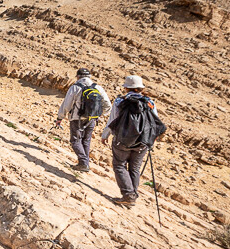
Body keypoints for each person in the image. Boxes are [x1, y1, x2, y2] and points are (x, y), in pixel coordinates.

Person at [101, 75, 167, 205]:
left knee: (119, 165)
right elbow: (154, 122)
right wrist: (153, 139)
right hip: (142, 142)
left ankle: (128, 195)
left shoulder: (120, 101)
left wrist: (105, 135)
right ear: (140, 88)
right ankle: (132, 195)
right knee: (135, 168)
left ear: (126, 88)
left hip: (122, 140)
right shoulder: (149, 102)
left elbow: (112, 120)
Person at [54, 68, 108, 172]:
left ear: (78, 76)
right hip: (92, 119)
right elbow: (107, 105)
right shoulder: (98, 88)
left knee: (75, 140)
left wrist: (60, 117)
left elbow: (66, 105)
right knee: (86, 141)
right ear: (89, 77)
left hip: (77, 118)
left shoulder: (75, 87)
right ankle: (84, 164)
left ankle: (83, 163)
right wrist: (100, 115)